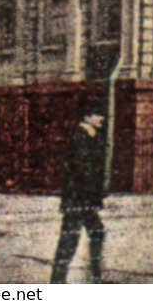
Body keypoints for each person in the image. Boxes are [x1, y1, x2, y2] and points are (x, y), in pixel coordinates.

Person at [51, 102, 110, 284]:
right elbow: (82, 170)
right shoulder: (80, 137)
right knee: (70, 239)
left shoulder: (92, 135)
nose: (102, 118)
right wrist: (91, 196)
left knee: (97, 232)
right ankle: (58, 281)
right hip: (78, 198)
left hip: (85, 198)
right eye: (98, 114)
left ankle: (94, 277)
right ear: (87, 117)